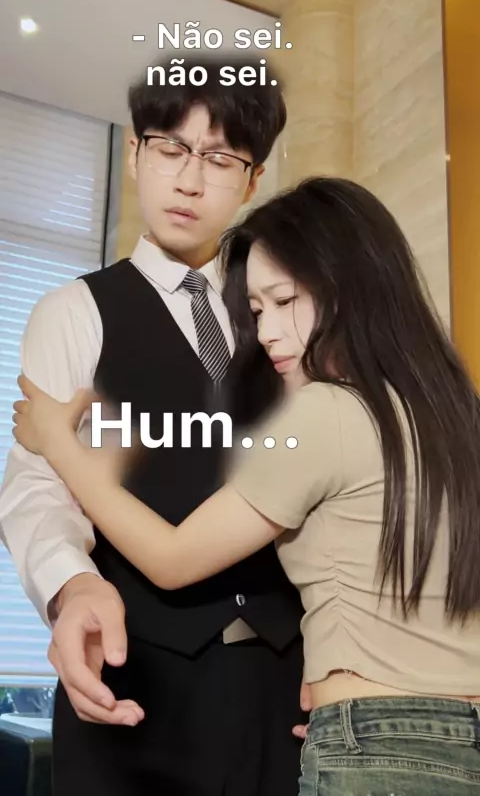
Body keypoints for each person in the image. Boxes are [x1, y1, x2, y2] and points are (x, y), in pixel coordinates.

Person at [11, 175, 480, 795]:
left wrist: (59, 443)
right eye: (256, 311)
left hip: (372, 739)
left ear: (350, 285)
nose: (266, 333)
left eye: (284, 301)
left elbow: (172, 559)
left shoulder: (328, 412)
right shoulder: (454, 413)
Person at [0, 54, 309, 796]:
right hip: (135, 682)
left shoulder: (285, 310)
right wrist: (73, 587)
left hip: (286, 689)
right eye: (171, 148)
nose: (191, 181)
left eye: (221, 159)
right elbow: (37, 485)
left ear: (252, 180)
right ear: (135, 153)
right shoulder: (73, 311)